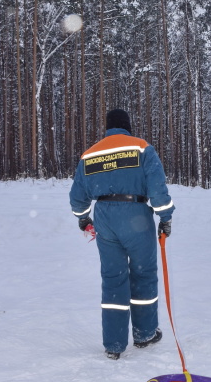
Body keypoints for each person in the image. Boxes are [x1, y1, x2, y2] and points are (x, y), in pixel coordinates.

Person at [69, 109, 174, 360]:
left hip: (104, 217)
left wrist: (84, 218)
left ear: (107, 128)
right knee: (143, 274)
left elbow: (77, 196)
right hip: (136, 216)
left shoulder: (90, 154)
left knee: (113, 278)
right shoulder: (141, 148)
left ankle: (114, 344)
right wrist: (165, 217)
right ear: (127, 126)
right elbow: (157, 187)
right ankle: (144, 333)